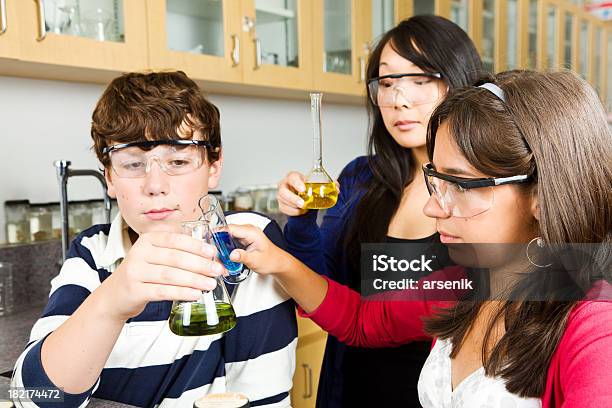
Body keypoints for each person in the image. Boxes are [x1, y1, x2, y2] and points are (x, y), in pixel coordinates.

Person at [228, 69, 612, 407]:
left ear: (543, 195)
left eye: (460, 184)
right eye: (437, 180)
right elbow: (361, 321)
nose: (433, 208)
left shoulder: (595, 328)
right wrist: (279, 261)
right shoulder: (466, 283)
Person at [11, 71, 297, 407]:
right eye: (133, 164)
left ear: (213, 164)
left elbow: (263, 399)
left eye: (178, 161)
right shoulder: (92, 255)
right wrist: (113, 301)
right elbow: (31, 399)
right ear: (109, 179)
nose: (155, 185)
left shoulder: (246, 246)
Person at [276, 15, 483, 407]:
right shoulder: (359, 179)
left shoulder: (486, 195)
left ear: (459, 82)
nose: (399, 100)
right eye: (386, 83)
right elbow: (319, 292)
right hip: (351, 389)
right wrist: (301, 223)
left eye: (420, 80)